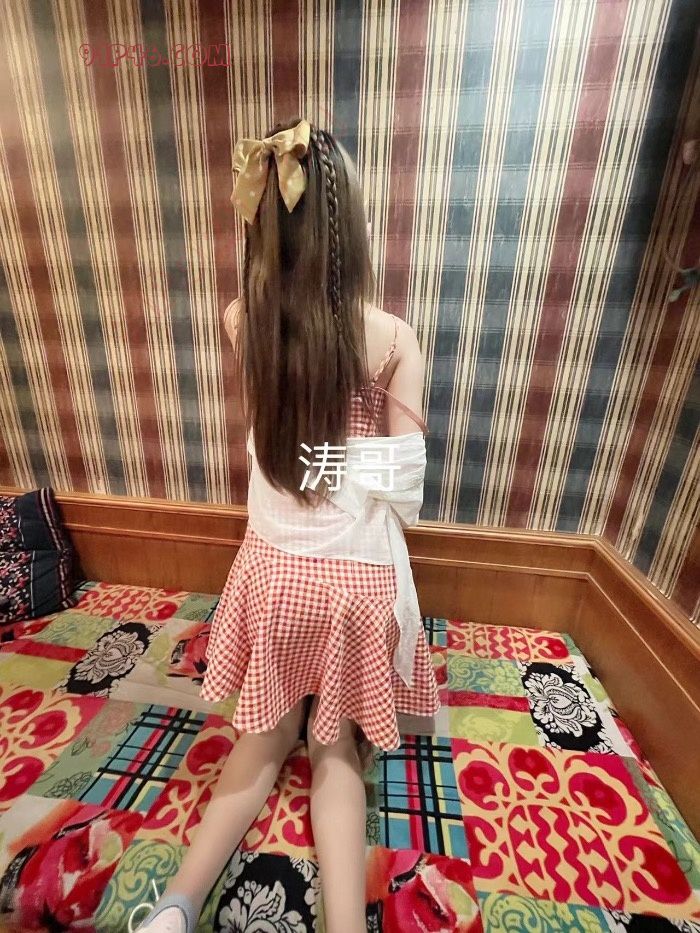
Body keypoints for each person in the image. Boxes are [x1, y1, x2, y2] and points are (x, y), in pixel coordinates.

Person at [135, 117, 440, 933]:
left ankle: (174, 905)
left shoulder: (242, 319)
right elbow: (406, 484)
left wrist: (310, 463)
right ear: (352, 225)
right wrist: (339, 463)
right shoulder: (392, 338)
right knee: (334, 751)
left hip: (273, 579)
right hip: (354, 592)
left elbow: (286, 445)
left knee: (263, 739)